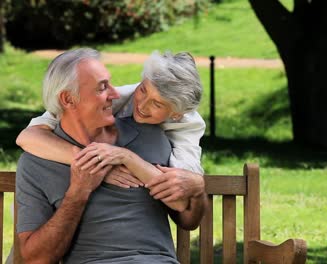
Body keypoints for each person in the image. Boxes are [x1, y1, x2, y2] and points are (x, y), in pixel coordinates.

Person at [15, 48, 208, 263]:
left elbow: (185, 210)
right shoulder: (36, 161)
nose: (117, 94)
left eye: (110, 84)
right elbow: (35, 259)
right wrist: (81, 187)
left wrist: (198, 187)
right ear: (68, 99)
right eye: (102, 87)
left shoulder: (157, 135)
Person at [16, 51, 205, 190]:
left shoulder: (188, 123)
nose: (142, 105)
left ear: (176, 114)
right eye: (143, 90)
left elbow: (185, 179)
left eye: (156, 104)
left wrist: (195, 182)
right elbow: (28, 136)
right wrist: (99, 166)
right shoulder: (116, 98)